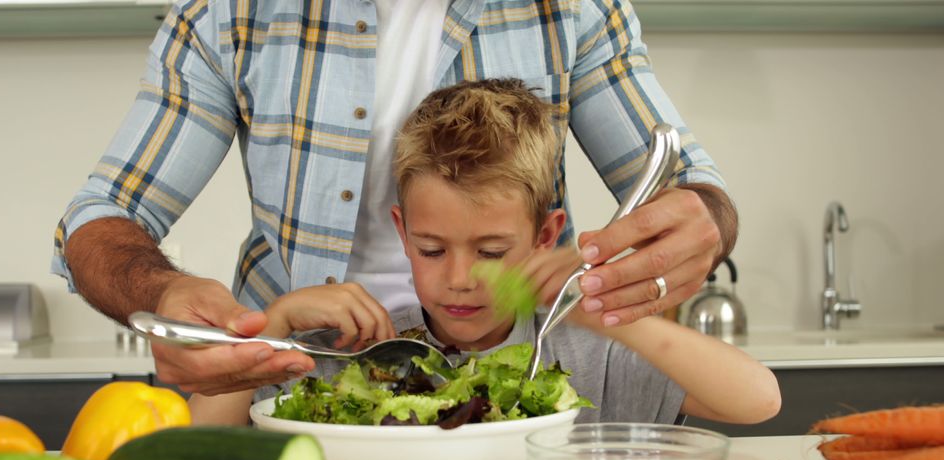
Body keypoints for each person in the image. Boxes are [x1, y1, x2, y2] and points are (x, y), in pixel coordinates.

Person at [53, 0, 738, 396]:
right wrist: (164, 295)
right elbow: (100, 216)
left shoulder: (571, 8)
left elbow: (692, 194)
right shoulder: (230, 14)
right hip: (299, 390)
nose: (459, 273)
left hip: (512, 386)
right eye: (431, 247)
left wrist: (697, 226)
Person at [190, 79, 778, 427]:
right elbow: (200, 430)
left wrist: (620, 323)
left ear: (547, 237)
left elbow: (759, 401)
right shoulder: (369, 352)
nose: (460, 279)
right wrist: (277, 325)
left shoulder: (586, 347)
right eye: (431, 248)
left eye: (492, 250)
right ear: (402, 231)